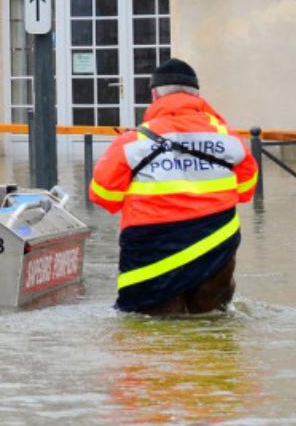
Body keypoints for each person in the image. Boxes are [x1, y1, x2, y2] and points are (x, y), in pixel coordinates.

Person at [89, 58, 258, 314]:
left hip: (152, 248)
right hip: (216, 244)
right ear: (197, 95)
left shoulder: (132, 142)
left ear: (154, 95)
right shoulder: (228, 138)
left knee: (156, 331)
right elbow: (246, 190)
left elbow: (103, 195)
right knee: (211, 320)